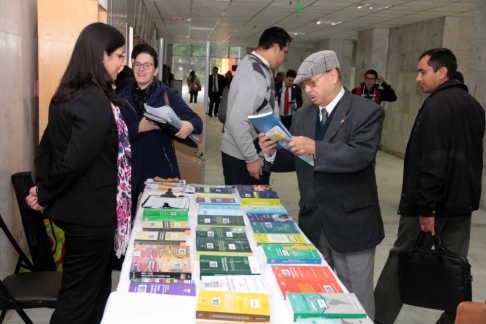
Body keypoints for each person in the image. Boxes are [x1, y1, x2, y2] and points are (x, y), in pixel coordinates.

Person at [258, 50, 385, 320]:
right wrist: (270, 152)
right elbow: (296, 159)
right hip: (314, 222)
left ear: (334, 75)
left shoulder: (367, 111)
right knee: (319, 298)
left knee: (356, 304)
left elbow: (360, 155)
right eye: (304, 85)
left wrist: (315, 148)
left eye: (313, 82)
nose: (308, 89)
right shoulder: (304, 116)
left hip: (352, 224)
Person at [25, 22, 129, 323]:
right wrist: (44, 193)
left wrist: (42, 188)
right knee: (79, 298)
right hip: (90, 214)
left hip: (80, 210)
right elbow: (73, 161)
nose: (122, 65)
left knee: (96, 290)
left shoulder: (66, 94)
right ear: (101, 56)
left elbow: (46, 149)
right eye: (119, 56)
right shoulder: (94, 99)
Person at [374, 48, 485, 324]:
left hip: (431, 208)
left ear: (442, 72)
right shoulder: (474, 105)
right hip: (461, 204)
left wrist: (426, 207)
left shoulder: (437, 104)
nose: (418, 78)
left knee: (402, 262)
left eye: (423, 71)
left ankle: (376, 319)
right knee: (455, 268)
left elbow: (434, 160)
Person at [119, 44, 203, 219]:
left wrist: (188, 125)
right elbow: (112, 134)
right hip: (129, 171)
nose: (142, 69)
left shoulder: (167, 95)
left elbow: (197, 121)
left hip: (160, 170)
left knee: (160, 221)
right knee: (127, 224)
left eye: (147, 65)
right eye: (138, 65)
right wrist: (137, 129)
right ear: (132, 66)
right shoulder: (121, 97)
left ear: (156, 70)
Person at [221, 26, 292, 186]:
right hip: (244, 155)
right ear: (275, 47)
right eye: (285, 51)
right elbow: (237, 121)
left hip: (253, 151)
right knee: (249, 206)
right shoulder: (255, 74)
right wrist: (252, 158)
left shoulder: (254, 65)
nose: (284, 57)